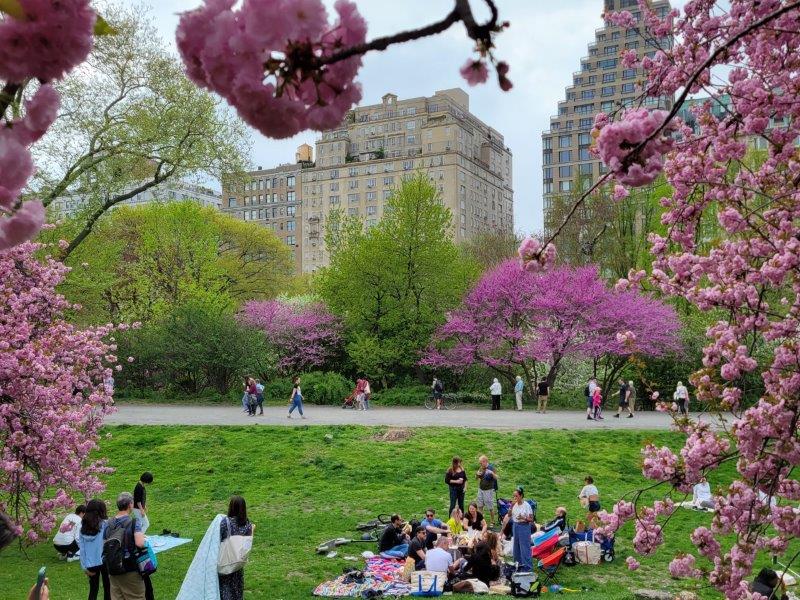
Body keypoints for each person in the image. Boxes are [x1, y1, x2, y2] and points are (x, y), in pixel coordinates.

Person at [105, 492, 146, 600]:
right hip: (130, 568)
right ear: (130, 505)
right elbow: (139, 543)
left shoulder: (108, 523)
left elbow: (104, 544)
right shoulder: (133, 522)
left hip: (113, 568)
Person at [219, 496, 255, 600]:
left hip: (225, 563)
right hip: (238, 565)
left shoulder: (225, 523)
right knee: (237, 593)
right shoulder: (248, 525)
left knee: (225, 592)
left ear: (231, 507)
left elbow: (218, 540)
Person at [79, 499, 111, 600]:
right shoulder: (106, 525)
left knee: (93, 589)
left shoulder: (82, 528)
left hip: (90, 563)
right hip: (104, 561)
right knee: (108, 588)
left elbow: (82, 549)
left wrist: (84, 566)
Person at [133, 472, 154, 600]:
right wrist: (141, 508)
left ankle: (140, 536)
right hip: (137, 508)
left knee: (143, 523)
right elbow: (138, 499)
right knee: (144, 523)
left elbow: (142, 499)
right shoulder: (139, 487)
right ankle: (139, 536)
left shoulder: (142, 486)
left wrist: (145, 507)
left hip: (139, 508)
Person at [502, 486, 533, 572]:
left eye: (516, 496)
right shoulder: (514, 505)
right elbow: (509, 515)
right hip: (515, 526)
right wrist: (511, 506)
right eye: (514, 496)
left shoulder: (527, 506)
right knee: (516, 546)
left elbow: (531, 519)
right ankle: (518, 564)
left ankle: (527, 567)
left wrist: (524, 518)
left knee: (524, 547)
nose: (515, 498)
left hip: (524, 526)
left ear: (521, 496)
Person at [476, 456, 498, 527]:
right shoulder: (481, 468)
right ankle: (481, 521)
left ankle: (492, 521)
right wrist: (477, 475)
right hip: (480, 489)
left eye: (481, 463)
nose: (480, 465)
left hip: (488, 490)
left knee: (490, 506)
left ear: (485, 461)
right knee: (480, 505)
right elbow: (477, 478)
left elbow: (497, 477)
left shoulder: (491, 468)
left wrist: (492, 473)